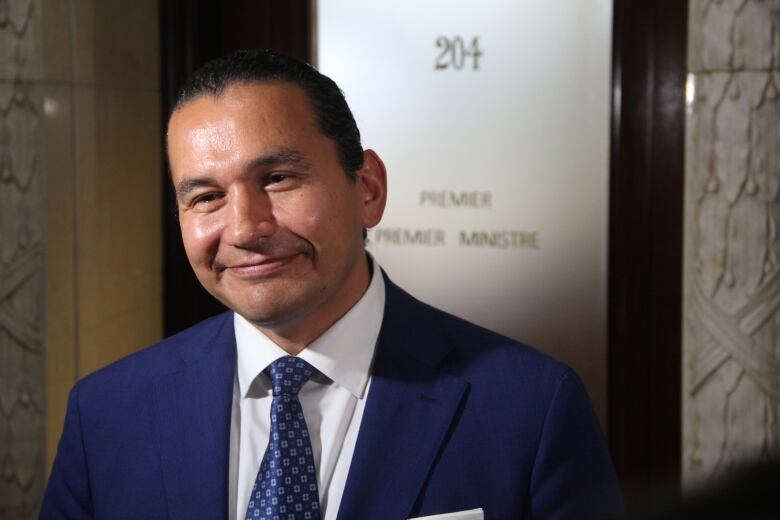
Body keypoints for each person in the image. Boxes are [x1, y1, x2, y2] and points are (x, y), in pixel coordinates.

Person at [41, 49, 622, 520]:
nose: (244, 228)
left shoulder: (530, 409)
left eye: (278, 178)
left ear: (367, 188)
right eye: (207, 197)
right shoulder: (107, 416)